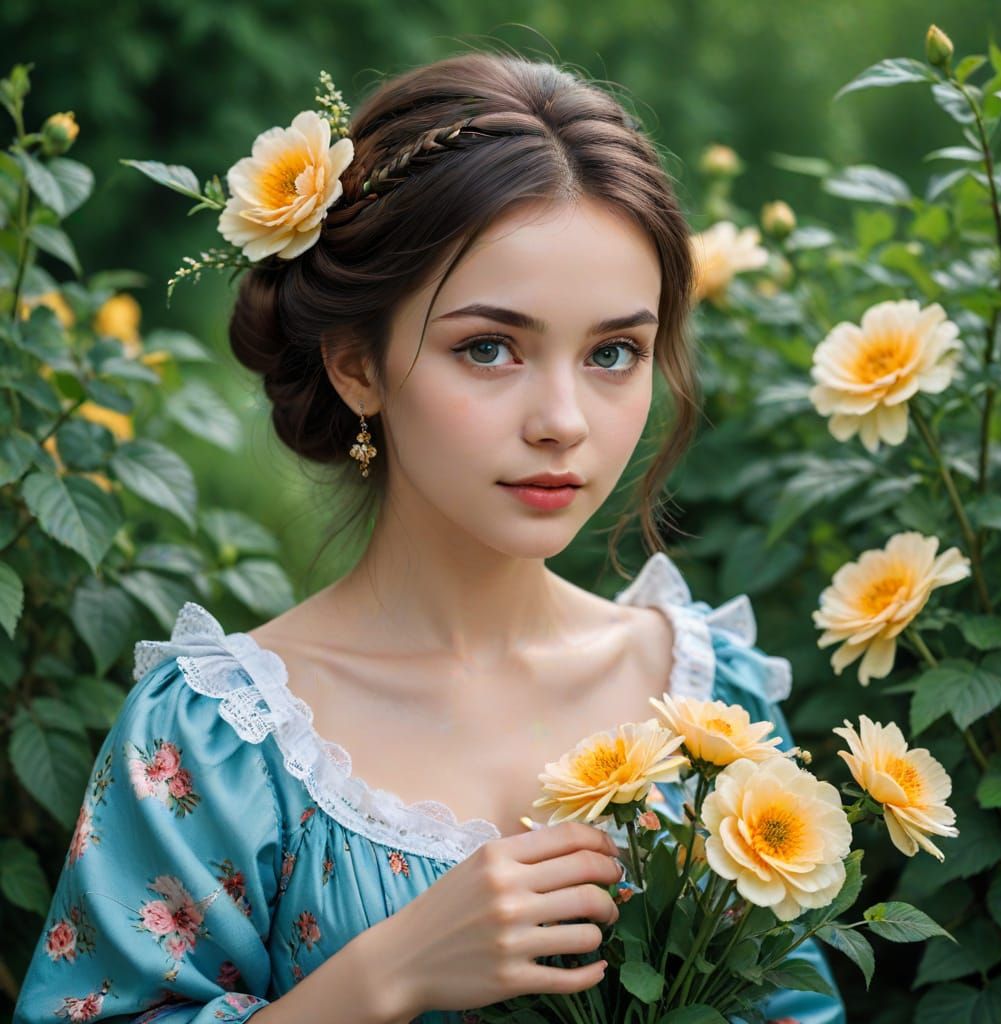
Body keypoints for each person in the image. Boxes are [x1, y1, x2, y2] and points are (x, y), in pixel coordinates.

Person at [13, 50, 845, 1024]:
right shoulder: (217, 741)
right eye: (488, 348)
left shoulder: (712, 712)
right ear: (356, 364)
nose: (563, 420)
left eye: (614, 352)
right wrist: (384, 977)